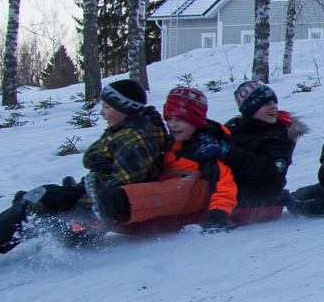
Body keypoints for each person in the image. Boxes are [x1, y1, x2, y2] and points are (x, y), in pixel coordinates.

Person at [0, 79, 169, 279]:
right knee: (31, 199)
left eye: (107, 107)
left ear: (125, 108)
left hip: (93, 216)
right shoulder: (127, 130)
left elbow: (120, 190)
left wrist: (75, 204)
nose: (102, 113)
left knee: (35, 204)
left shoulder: (137, 141)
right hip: (90, 199)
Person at [95, 86, 239, 235]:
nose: (172, 124)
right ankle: (89, 216)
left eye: (180, 119)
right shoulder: (170, 143)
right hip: (158, 202)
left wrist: (218, 217)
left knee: (185, 187)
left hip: (189, 201)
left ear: (195, 121)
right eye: (169, 119)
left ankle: (115, 201)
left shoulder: (205, 148)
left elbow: (224, 185)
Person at [192, 81, 308, 225]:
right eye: (266, 104)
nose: (274, 107)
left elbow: (269, 171)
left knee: (195, 190)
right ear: (250, 109)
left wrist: (227, 153)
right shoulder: (235, 128)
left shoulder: (281, 134)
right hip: (229, 189)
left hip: (259, 198)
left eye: (274, 102)